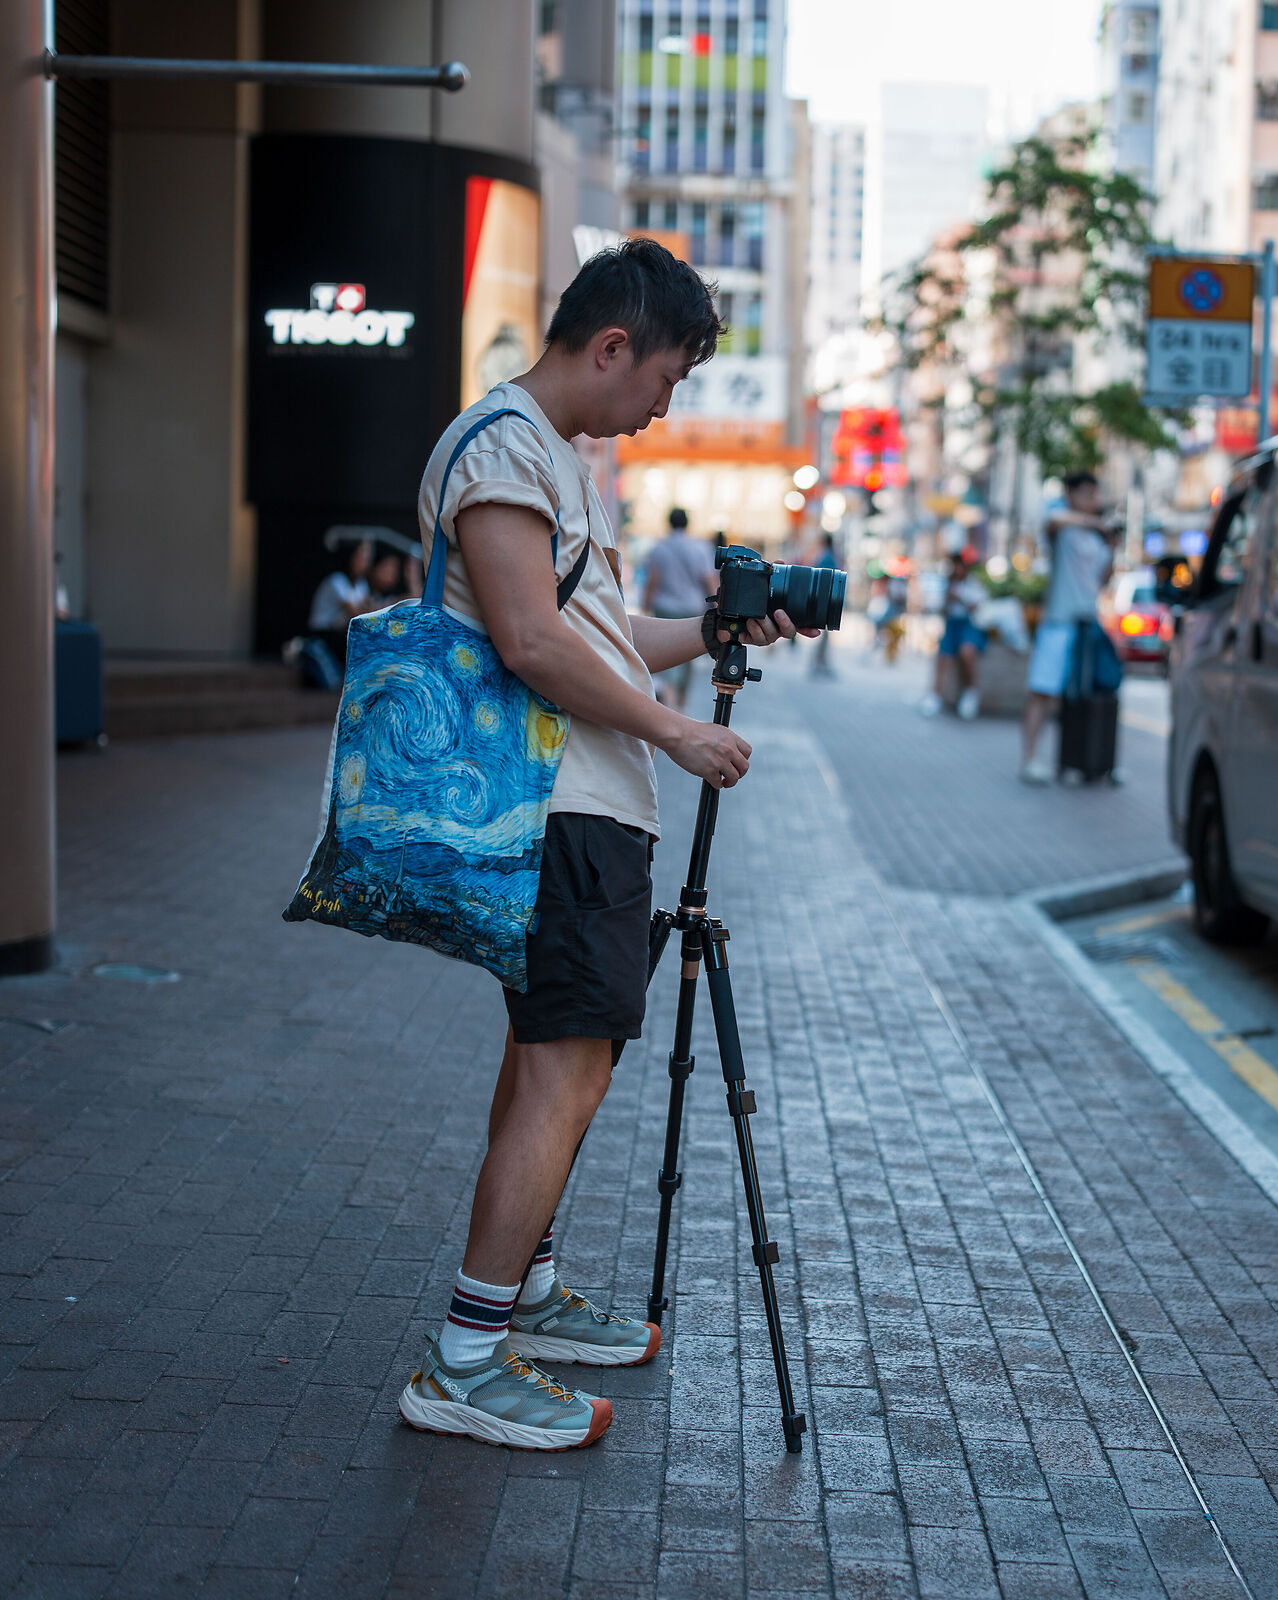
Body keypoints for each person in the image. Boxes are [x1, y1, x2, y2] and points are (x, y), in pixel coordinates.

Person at [392, 239, 816, 1452]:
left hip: (587, 806)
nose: (664, 406)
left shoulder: (555, 462)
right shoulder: (506, 448)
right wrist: (677, 733)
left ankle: (516, 1292)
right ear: (613, 344)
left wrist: (717, 629)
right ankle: (464, 1361)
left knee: (549, 1063)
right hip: (560, 804)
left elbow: (598, 633)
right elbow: (531, 638)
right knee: (566, 1070)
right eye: (666, 379)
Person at [1020, 471, 1118, 784]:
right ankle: (1030, 759)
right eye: (1087, 494)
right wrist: (1096, 524)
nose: (1093, 501)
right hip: (1059, 623)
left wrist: (1111, 545)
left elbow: (1102, 582)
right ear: (1071, 493)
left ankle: (1081, 761)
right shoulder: (1062, 526)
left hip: (1088, 624)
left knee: (1088, 695)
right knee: (1042, 691)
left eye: (1095, 494)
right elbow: (1053, 520)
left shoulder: (1094, 537)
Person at [640, 506, 718, 711]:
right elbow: (709, 580)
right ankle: (679, 708)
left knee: (668, 661)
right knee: (688, 661)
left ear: (669, 523)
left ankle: (672, 709)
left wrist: (646, 607)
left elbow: (652, 581)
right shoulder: (699, 548)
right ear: (687, 523)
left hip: (665, 609)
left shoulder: (659, 548)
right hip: (693, 610)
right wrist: (719, 607)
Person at [920, 548, 987, 719]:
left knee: (967, 652)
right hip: (952, 624)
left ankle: (970, 693)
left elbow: (978, 607)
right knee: (942, 657)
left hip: (969, 625)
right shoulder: (947, 584)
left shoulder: (974, 583)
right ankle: (935, 695)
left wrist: (960, 599)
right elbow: (941, 609)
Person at [807, 534, 840, 679]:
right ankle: (819, 663)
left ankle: (820, 663)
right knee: (823, 635)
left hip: (823, 602)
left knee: (823, 635)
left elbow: (818, 576)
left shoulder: (824, 556)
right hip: (826, 602)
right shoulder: (830, 556)